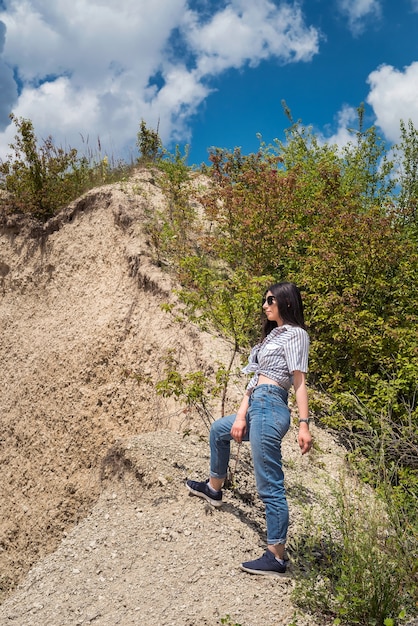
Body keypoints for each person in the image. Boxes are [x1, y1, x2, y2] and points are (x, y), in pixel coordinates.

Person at [186, 281, 312, 576]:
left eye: (270, 300)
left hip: (271, 407)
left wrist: (304, 424)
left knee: (269, 484)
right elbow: (253, 382)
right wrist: (241, 416)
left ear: (286, 302)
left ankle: (276, 557)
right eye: (265, 300)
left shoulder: (296, 334)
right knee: (219, 430)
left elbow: (299, 380)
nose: (265, 305)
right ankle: (213, 489)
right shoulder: (271, 337)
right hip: (257, 405)